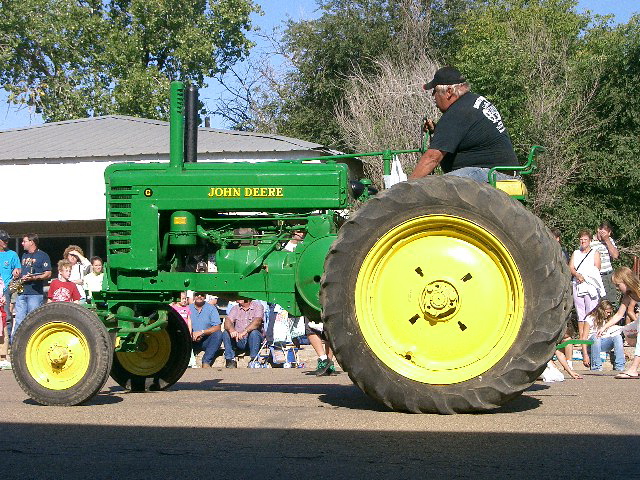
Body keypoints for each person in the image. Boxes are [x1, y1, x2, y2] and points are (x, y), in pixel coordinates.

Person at [409, 66, 520, 183]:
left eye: (434, 91)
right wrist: (436, 130)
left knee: (437, 187)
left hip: (492, 174)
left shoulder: (458, 112)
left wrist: (406, 188)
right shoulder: (473, 101)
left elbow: (432, 158)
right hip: (504, 172)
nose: (433, 97)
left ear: (449, 92)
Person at [596, 267, 640, 379]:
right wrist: (604, 327)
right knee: (625, 330)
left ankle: (633, 368)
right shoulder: (628, 295)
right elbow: (619, 315)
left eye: (618, 284)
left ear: (626, 281)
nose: (617, 288)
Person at [13, 234, 51, 340]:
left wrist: (34, 278)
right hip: (21, 292)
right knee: (19, 320)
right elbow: (21, 271)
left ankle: (31, 343)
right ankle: (15, 344)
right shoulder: (24, 255)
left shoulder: (43, 255)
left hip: (35, 294)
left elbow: (48, 273)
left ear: (31, 242)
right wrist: (17, 273)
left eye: (24, 241)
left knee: (33, 321)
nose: (22, 243)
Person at [569, 229, 604, 341]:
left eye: (585, 240)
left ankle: (590, 337)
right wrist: (577, 275)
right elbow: (571, 267)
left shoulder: (595, 252)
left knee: (591, 310)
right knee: (580, 311)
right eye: (581, 240)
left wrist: (586, 277)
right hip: (578, 284)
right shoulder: (576, 253)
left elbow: (597, 268)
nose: (583, 242)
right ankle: (581, 338)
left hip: (590, 285)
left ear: (589, 241)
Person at [580, 300, 625, 372]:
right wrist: (585, 355)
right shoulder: (590, 319)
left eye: (610, 312)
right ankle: (596, 366)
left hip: (604, 342)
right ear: (601, 311)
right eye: (607, 312)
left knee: (617, 337)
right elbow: (584, 338)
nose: (609, 314)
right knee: (596, 337)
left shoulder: (608, 319)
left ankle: (620, 366)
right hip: (592, 343)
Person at [223, 298, 264, 368]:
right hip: (238, 339)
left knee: (254, 333)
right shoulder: (235, 308)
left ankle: (254, 359)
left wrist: (245, 331)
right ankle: (230, 359)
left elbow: (257, 321)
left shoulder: (258, 306)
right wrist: (232, 330)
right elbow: (228, 321)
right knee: (226, 333)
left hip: (252, 340)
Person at [188, 292, 223, 368]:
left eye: (202, 295)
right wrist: (192, 334)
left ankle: (206, 361)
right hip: (189, 338)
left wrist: (202, 332)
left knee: (218, 334)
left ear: (205, 297)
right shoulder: (187, 308)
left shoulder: (211, 308)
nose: (199, 296)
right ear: (193, 297)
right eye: (197, 295)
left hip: (205, 339)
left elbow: (217, 326)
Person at [0, 229, 20, 361]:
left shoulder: (12, 254)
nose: (6, 242)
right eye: (3, 240)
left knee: (6, 317)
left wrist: (16, 273)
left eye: (7, 240)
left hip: (5, 289)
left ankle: (5, 349)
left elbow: (18, 270)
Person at [590, 221, 619, 304]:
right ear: (598, 230)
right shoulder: (591, 242)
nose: (603, 235)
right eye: (602, 232)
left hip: (609, 274)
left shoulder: (609, 240)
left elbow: (615, 255)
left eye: (606, 233)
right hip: (597, 276)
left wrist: (607, 240)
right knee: (600, 303)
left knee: (611, 302)